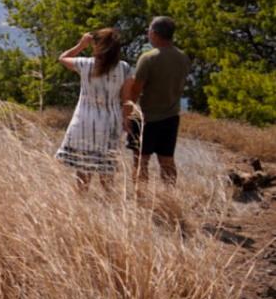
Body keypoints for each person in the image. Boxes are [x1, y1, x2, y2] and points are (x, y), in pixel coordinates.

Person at [53, 28, 135, 186]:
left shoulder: (85, 64)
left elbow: (63, 58)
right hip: (111, 121)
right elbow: (127, 100)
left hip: (84, 120)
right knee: (107, 166)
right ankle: (106, 204)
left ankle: (82, 202)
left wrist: (81, 45)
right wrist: (127, 121)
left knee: (83, 166)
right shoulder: (124, 68)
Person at [127, 16, 192, 184]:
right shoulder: (183, 57)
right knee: (167, 161)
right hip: (171, 117)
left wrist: (127, 114)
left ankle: (140, 198)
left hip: (146, 118)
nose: (148, 34)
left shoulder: (148, 58)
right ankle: (170, 196)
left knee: (141, 161)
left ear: (155, 33)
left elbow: (135, 90)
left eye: (149, 31)